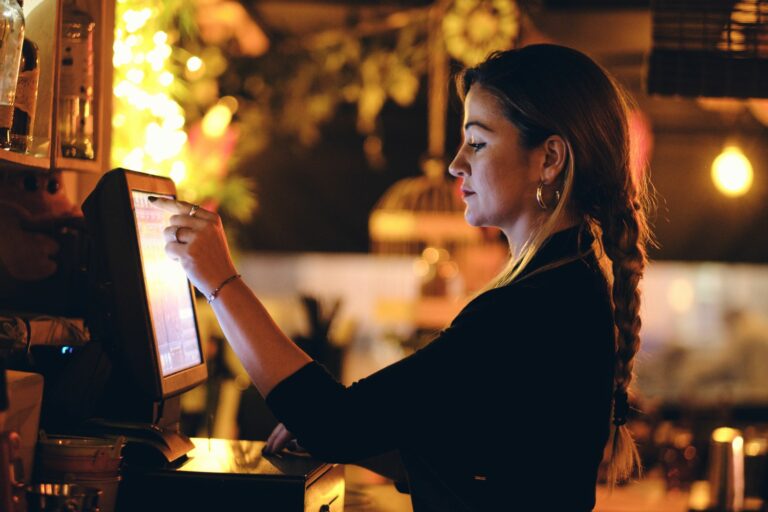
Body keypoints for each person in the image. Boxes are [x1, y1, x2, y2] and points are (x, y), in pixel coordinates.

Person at [150, 43, 652, 511]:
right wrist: (368, 446)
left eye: (477, 142)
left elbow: (331, 421)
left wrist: (220, 282)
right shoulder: (565, 285)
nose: (457, 165)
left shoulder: (533, 307)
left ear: (549, 159)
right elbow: (495, 466)